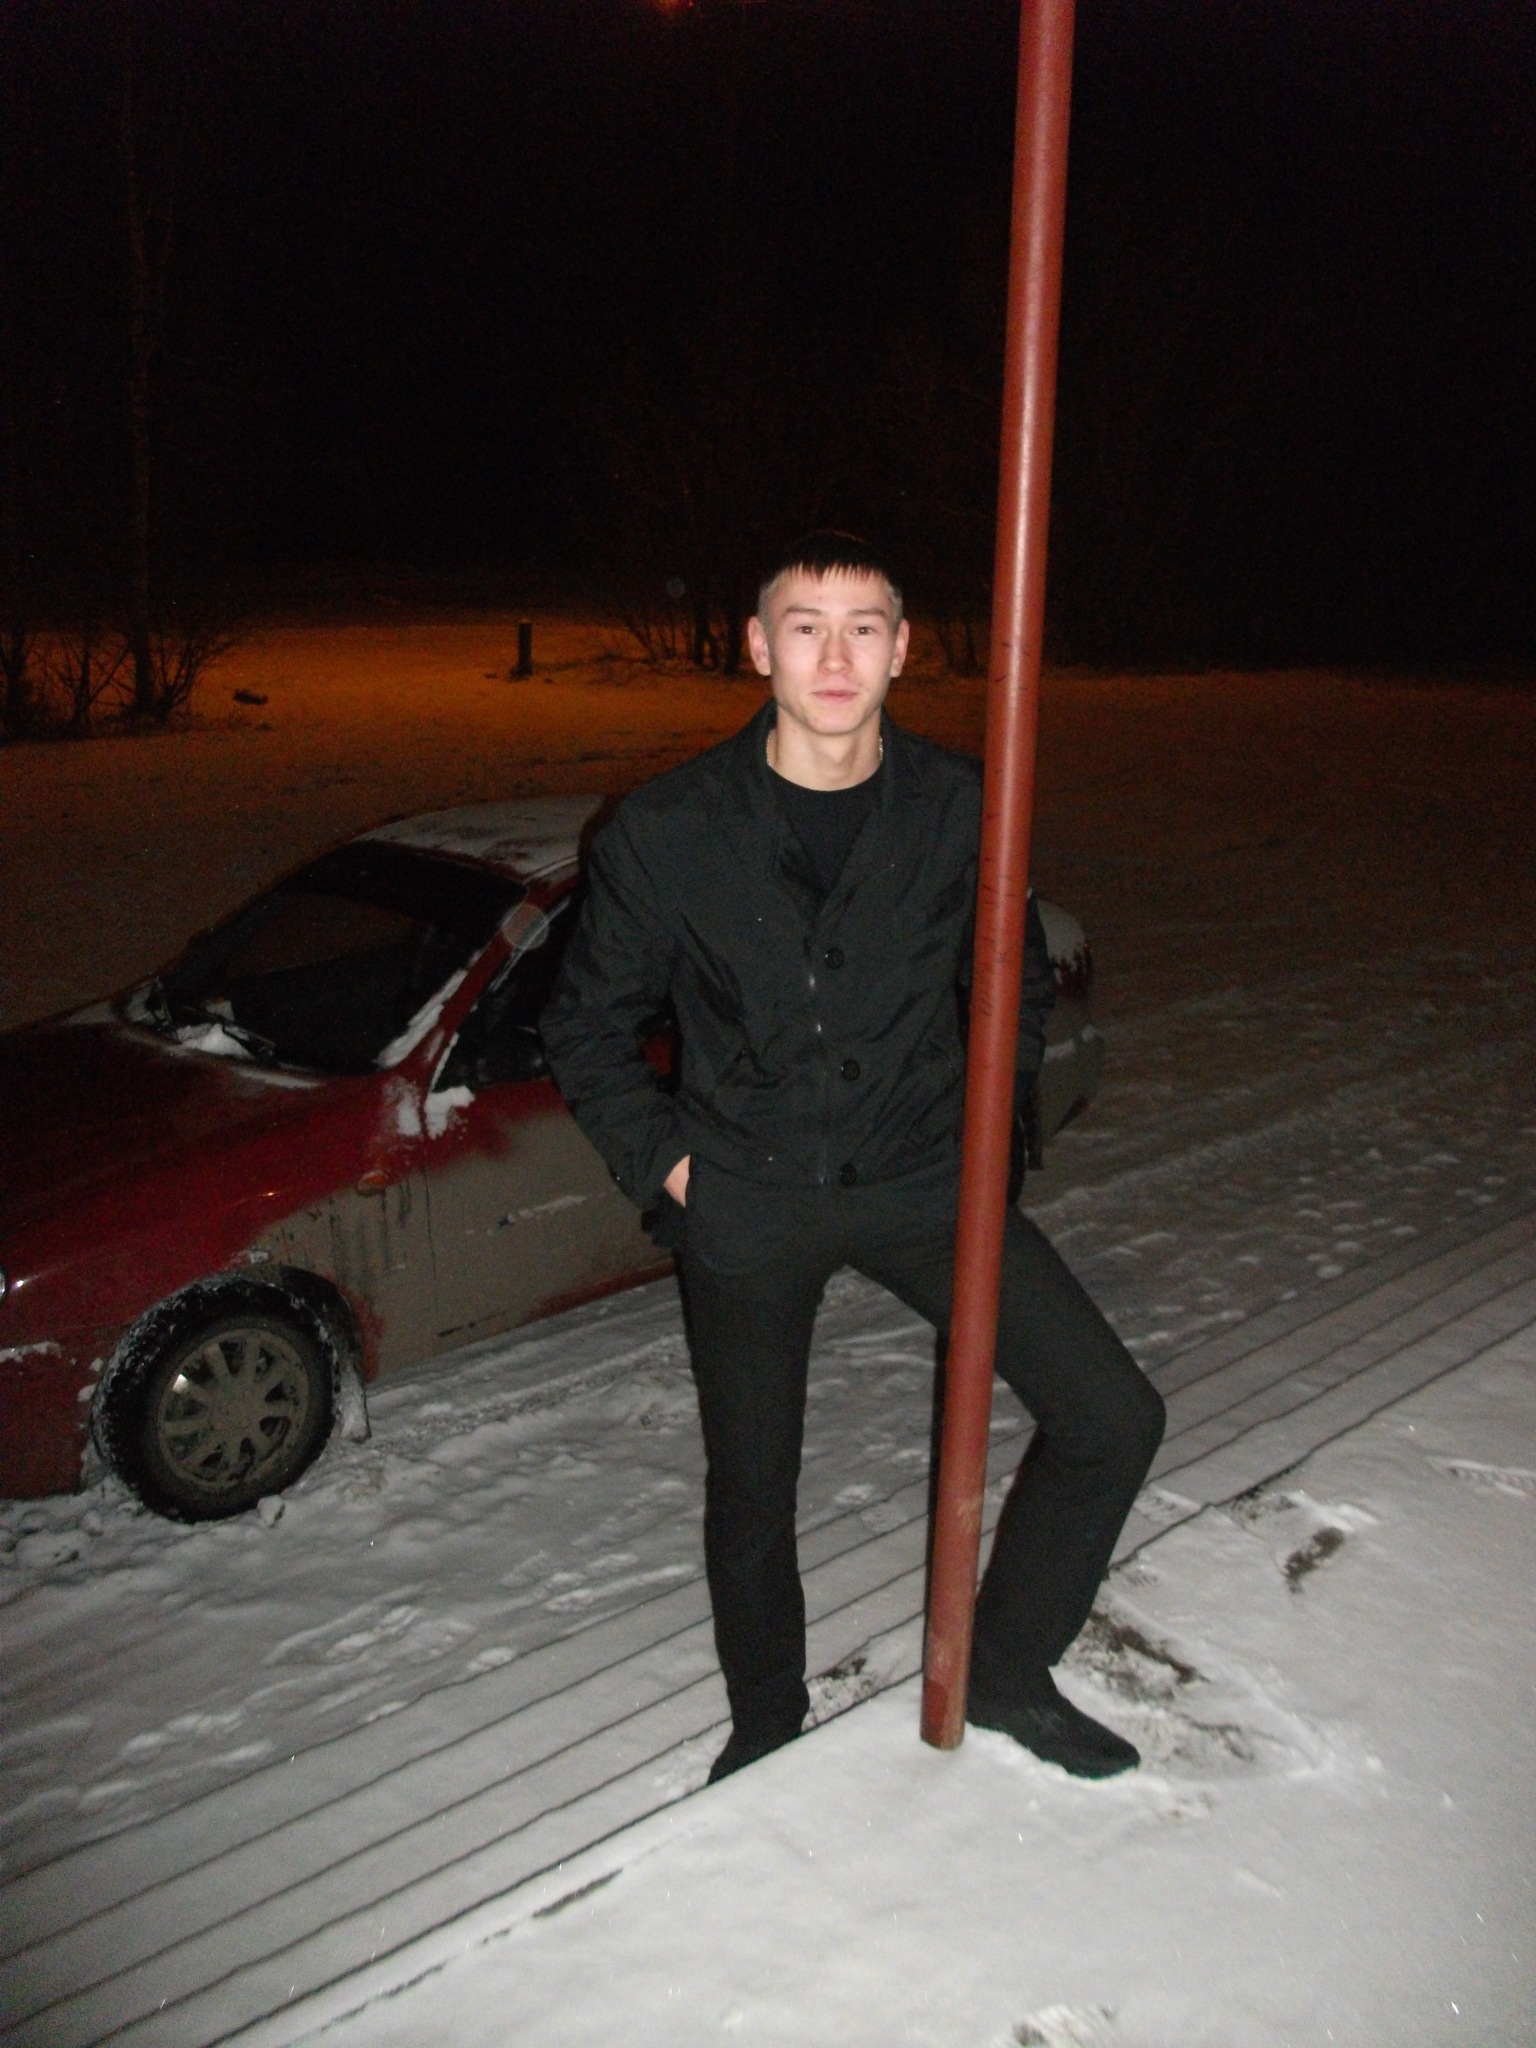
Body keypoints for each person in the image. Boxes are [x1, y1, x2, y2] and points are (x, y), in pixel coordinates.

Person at [541, 532, 1164, 1784]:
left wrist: (993, 1144)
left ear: (903, 648)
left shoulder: (964, 805)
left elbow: (1012, 986)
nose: (836, 655)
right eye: (806, 626)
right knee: (753, 1487)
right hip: (747, 1194)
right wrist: (677, 1174)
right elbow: (584, 1025)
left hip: (922, 1180)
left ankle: (1006, 1668)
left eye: (864, 627)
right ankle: (767, 1722)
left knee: (1113, 1416)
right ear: (758, 646)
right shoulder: (668, 828)